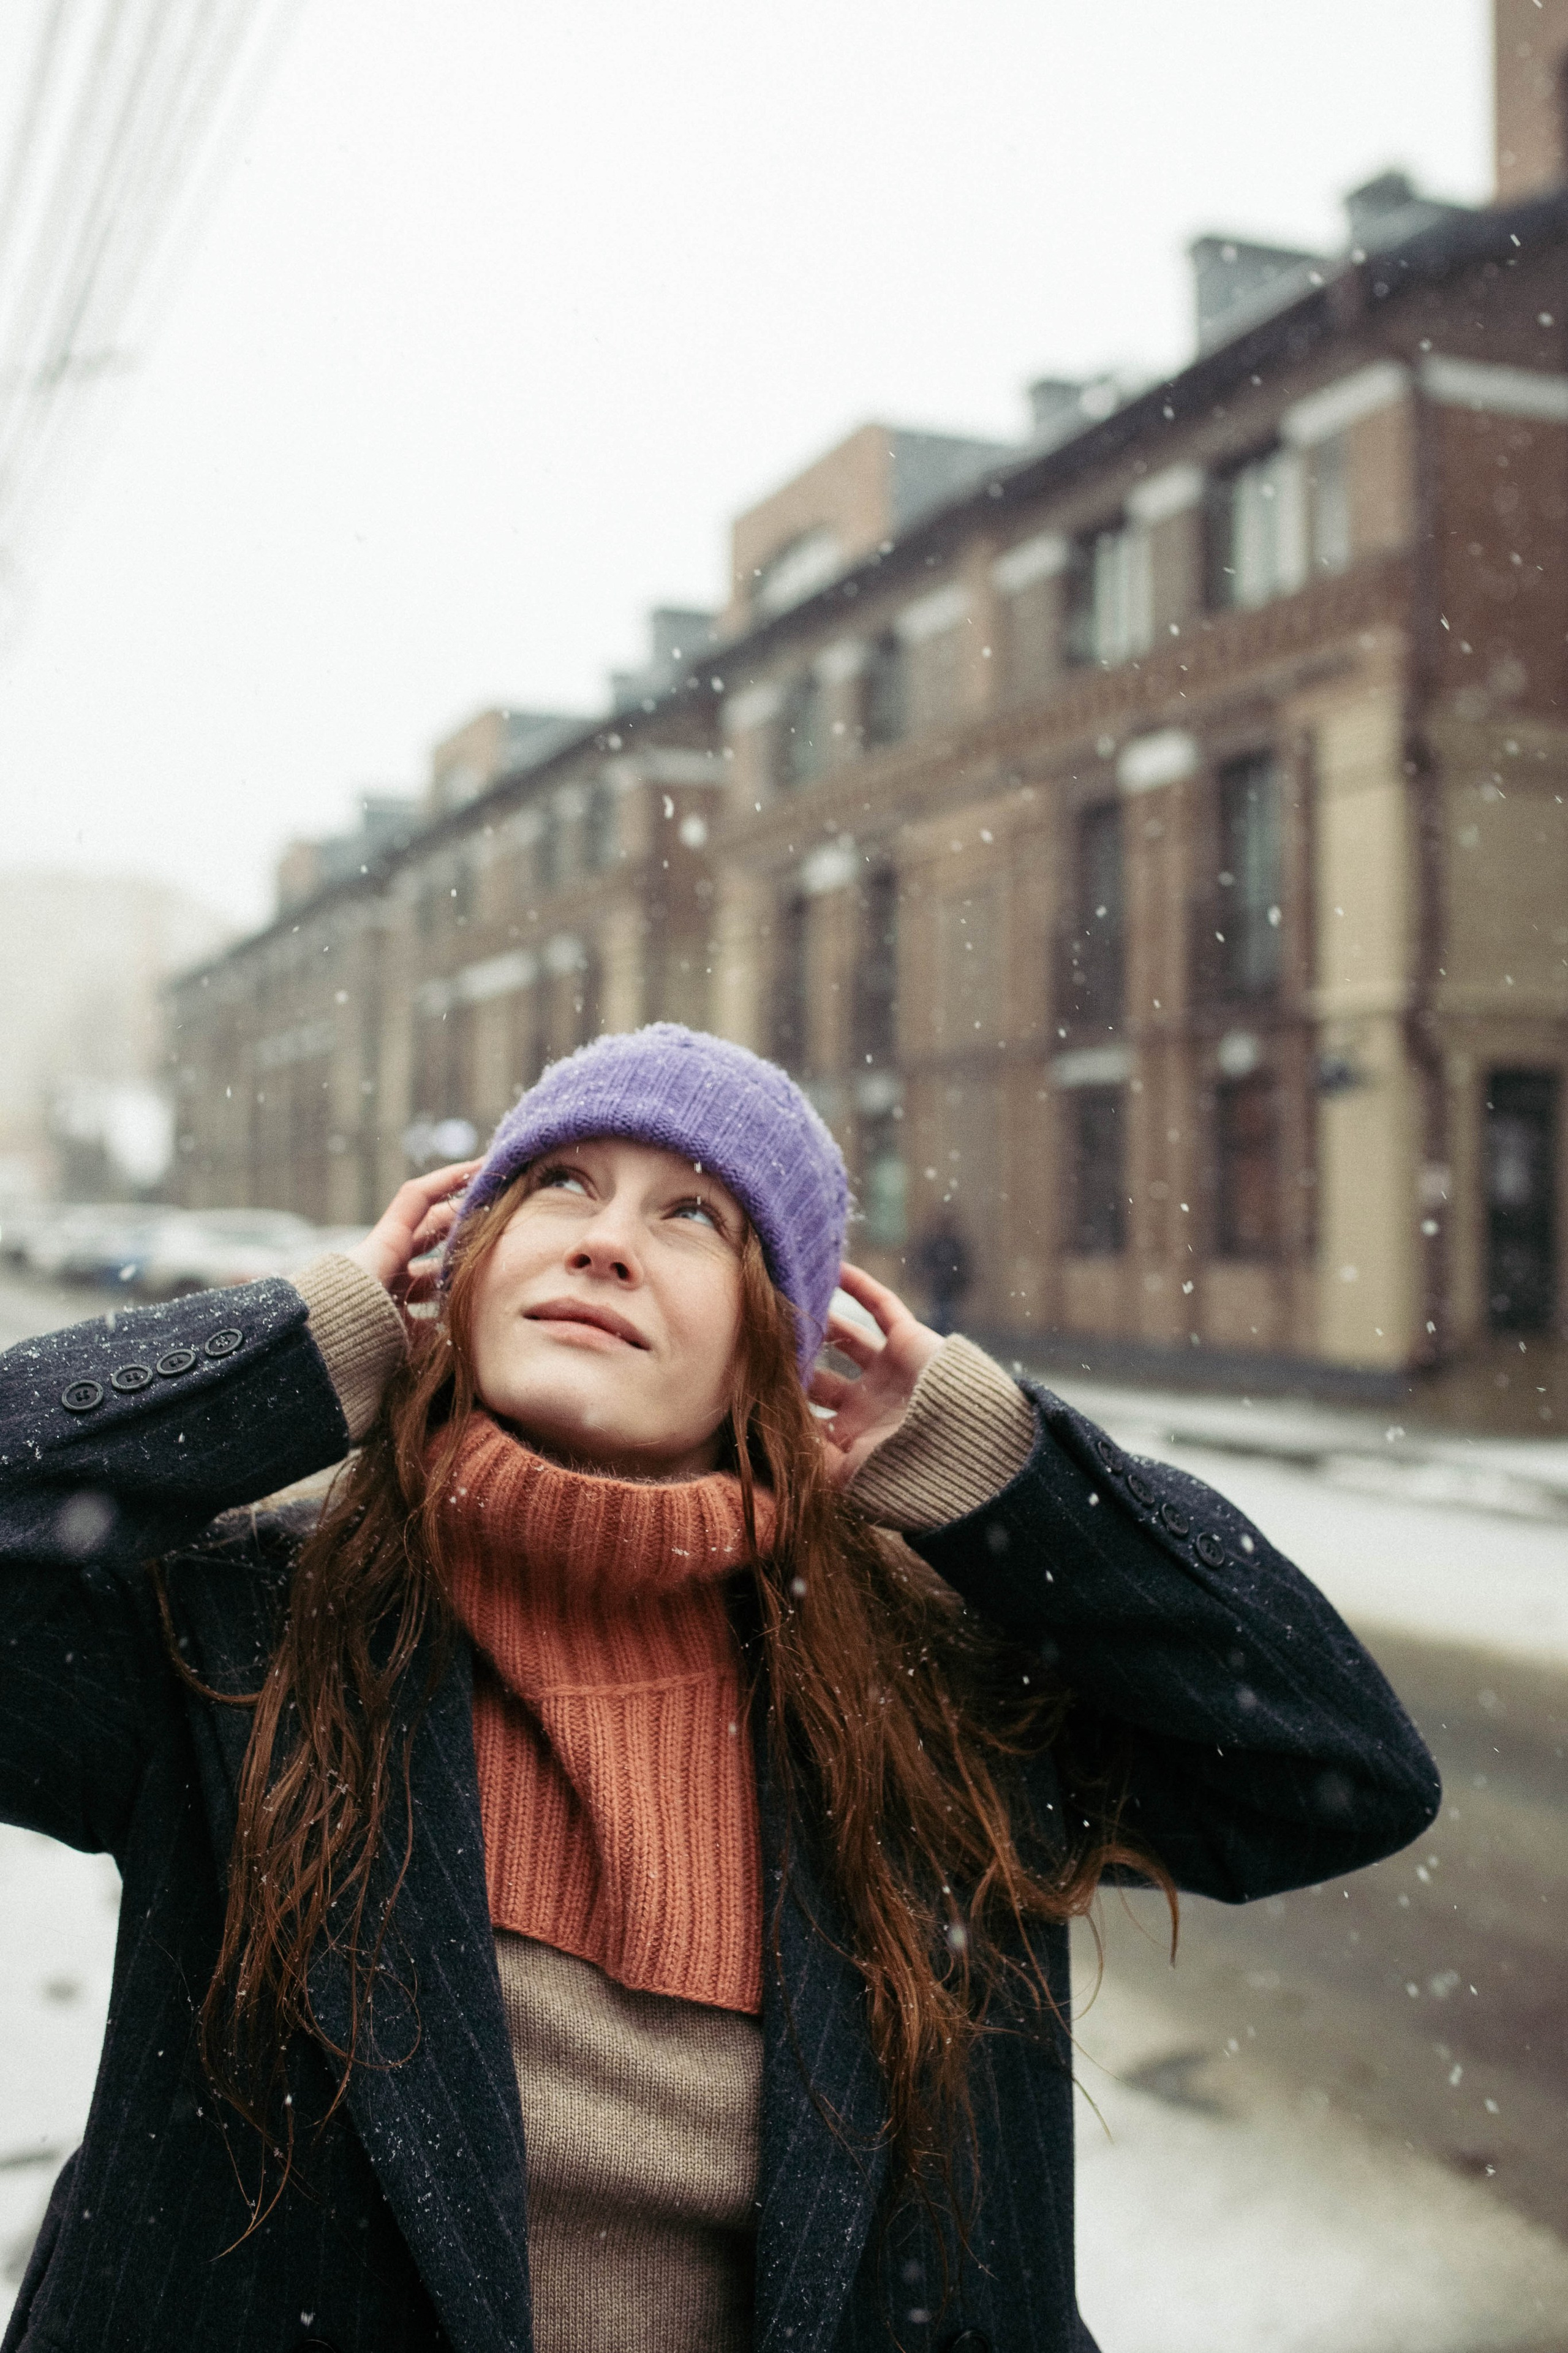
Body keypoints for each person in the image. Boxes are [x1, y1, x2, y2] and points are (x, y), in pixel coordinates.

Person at [0, 1022, 1438, 2353]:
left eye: (694, 1213)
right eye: (560, 1184)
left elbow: (1336, 1762)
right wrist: (302, 1350)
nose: (610, 1242)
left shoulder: (929, 1705)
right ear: (461, 1257)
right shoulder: (239, 1638)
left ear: (777, 1340)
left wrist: (997, 1469)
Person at [914, 1208, 973, 1336]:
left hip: (950, 1288)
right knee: (940, 1318)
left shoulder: (954, 1245)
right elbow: (926, 1263)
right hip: (940, 1288)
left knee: (947, 1318)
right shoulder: (937, 1244)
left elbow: (963, 1266)